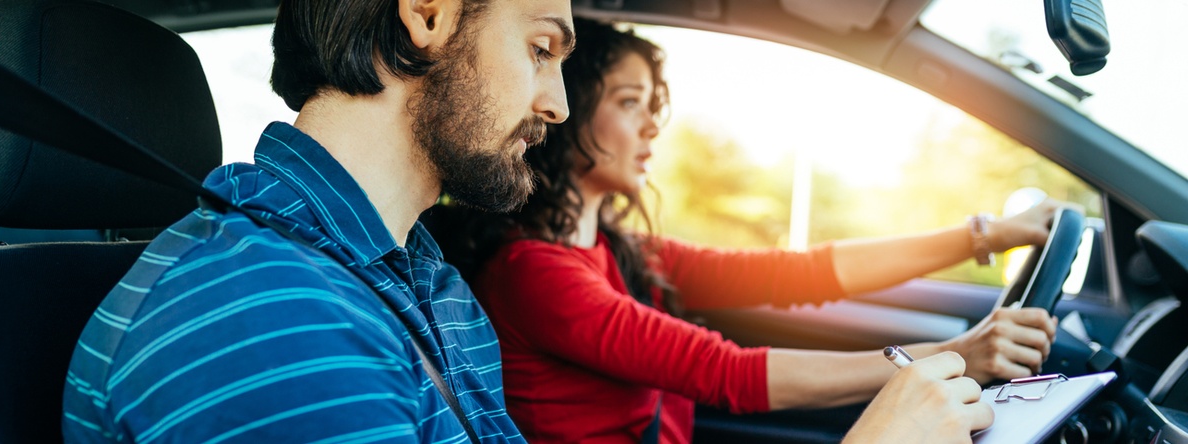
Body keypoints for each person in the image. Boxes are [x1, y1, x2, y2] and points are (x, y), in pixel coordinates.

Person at [451, 18, 1061, 443]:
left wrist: (984, 236)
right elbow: (730, 373)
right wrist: (959, 354)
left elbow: (800, 272)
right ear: (570, 109)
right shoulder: (535, 273)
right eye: (629, 103)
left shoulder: (619, 250)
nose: (652, 129)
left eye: (651, 107)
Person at [62, 0, 574, 441]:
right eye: (541, 50)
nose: (559, 107)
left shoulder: (438, 289)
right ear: (427, 13)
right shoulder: (271, 311)